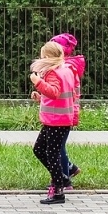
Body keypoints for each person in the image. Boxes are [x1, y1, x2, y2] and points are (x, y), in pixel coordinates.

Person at [29, 40, 77, 205]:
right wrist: (40, 96)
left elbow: (55, 92)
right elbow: (59, 94)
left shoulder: (52, 72)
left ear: (48, 57)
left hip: (56, 121)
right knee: (40, 150)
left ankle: (58, 190)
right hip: (60, 119)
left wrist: (38, 83)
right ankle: (61, 178)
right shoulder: (66, 71)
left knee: (51, 154)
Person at [51, 32, 85, 185]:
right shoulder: (66, 67)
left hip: (65, 113)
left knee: (58, 148)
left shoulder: (66, 69)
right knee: (59, 146)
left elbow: (59, 92)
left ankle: (65, 179)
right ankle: (69, 169)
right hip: (64, 112)